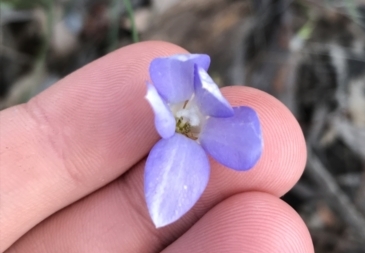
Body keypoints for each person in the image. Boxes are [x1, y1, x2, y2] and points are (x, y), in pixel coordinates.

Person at [0, 41, 314, 252]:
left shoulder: (232, 135)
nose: (185, 123)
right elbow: (173, 75)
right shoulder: (173, 86)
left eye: (185, 124)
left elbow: (248, 144)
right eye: (181, 121)